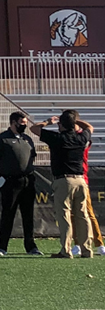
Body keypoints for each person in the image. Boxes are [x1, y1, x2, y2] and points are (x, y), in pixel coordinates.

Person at [31, 111, 94, 259]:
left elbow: (34, 128)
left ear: (61, 125)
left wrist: (48, 121)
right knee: (82, 215)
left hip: (64, 180)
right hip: (80, 180)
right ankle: (87, 250)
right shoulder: (80, 137)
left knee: (64, 215)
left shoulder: (56, 138)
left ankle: (66, 250)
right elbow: (90, 127)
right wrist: (76, 121)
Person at [0, 111, 40, 257]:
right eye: (22, 123)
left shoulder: (27, 139)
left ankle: (31, 247)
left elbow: (31, 158)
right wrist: (0, 179)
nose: (24, 125)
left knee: (28, 215)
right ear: (13, 122)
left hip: (27, 181)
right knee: (8, 214)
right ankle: (2, 247)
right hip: (10, 182)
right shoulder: (2, 139)